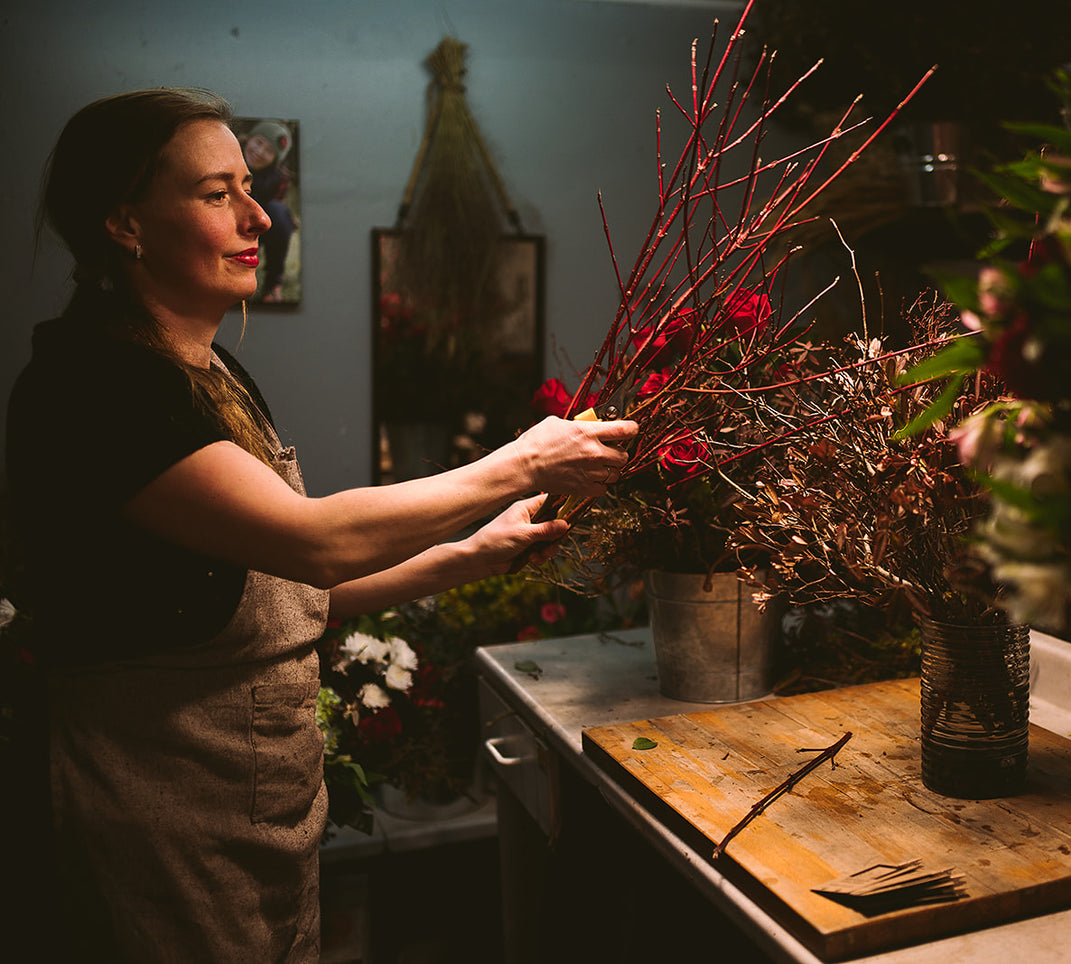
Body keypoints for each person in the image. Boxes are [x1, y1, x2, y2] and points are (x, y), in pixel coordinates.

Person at [0, 87, 636, 963]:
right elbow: (316, 540)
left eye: (250, 188)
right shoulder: (96, 387)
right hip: (161, 805)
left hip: (247, 802)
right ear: (124, 223)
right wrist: (521, 461)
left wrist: (472, 556)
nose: (260, 214)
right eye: (216, 192)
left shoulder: (203, 372)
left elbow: (288, 590)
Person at [240, 118, 297, 302]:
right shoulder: (227, 155)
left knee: (279, 213)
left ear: (274, 160)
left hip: (254, 226)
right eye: (259, 142)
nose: (259, 152)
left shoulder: (276, 179)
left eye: (269, 151)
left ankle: (273, 285)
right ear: (249, 138)